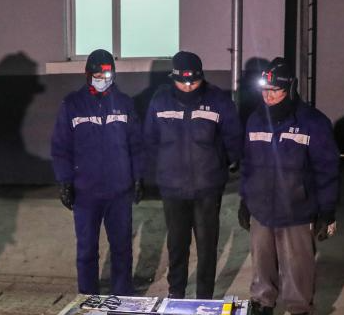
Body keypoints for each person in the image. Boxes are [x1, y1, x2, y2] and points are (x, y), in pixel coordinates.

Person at [238, 58, 340, 315]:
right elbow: (248, 165)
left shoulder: (313, 123)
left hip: (297, 211)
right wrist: (245, 200)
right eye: (265, 90)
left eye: (275, 91)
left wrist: (327, 211)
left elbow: (327, 169)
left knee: (298, 270)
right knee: (262, 269)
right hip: (262, 210)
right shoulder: (255, 120)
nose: (269, 96)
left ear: (290, 89)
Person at [144, 51, 242, 300]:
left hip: (207, 188)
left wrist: (223, 164)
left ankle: (204, 296)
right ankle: (176, 293)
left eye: (194, 82)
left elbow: (233, 138)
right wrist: (153, 174)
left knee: (207, 246)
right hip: (172, 188)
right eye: (182, 82)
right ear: (173, 78)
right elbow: (150, 140)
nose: (188, 86)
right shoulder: (160, 101)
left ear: (202, 77)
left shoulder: (218, 100)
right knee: (177, 245)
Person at [51, 49, 144, 295]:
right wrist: (64, 181)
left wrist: (138, 177)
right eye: (98, 76)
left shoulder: (124, 104)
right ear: (87, 75)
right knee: (87, 250)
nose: (103, 80)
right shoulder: (72, 105)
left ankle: (122, 296)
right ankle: (88, 298)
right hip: (86, 193)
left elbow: (136, 144)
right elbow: (60, 147)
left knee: (122, 248)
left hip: (119, 191)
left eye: (108, 75)